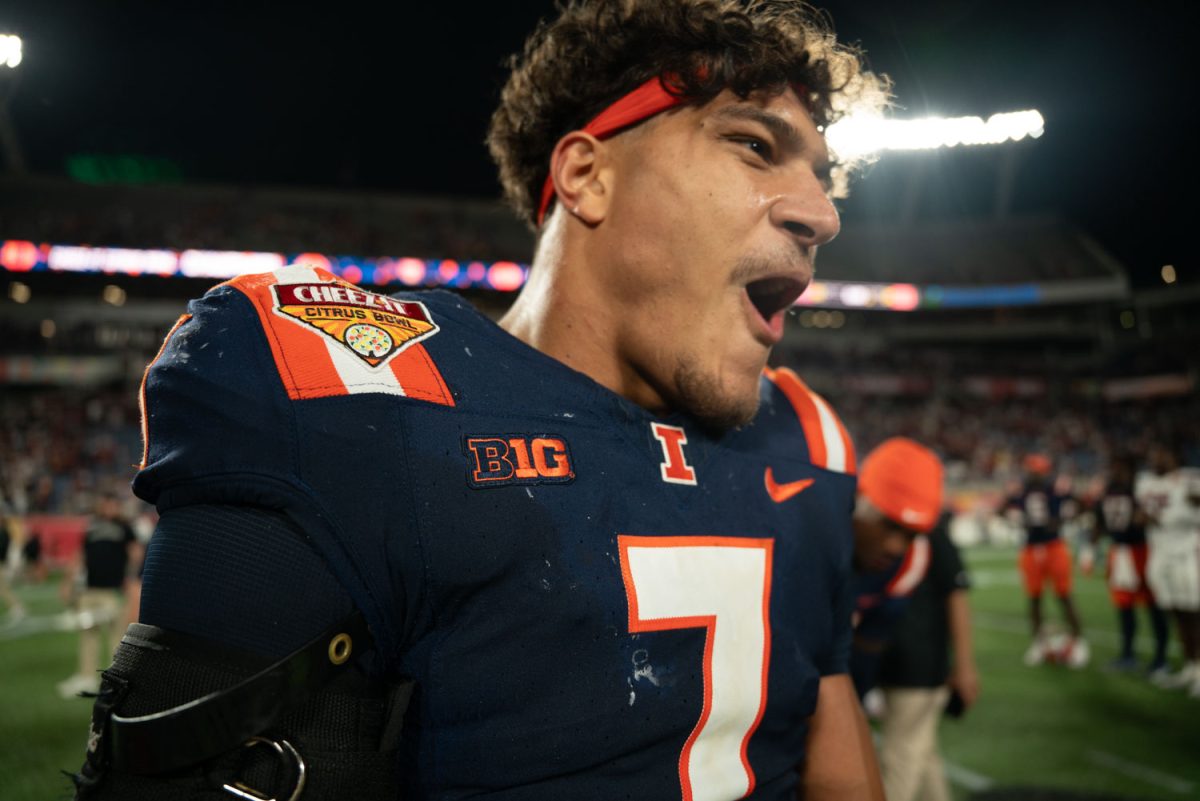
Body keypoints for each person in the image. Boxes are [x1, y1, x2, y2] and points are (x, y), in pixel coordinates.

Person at [71, 2, 891, 799]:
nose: (821, 214)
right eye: (753, 143)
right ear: (586, 174)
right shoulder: (361, 400)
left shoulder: (808, 441)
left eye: (825, 179)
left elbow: (831, 740)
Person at [875, 514, 979, 801]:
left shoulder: (930, 532)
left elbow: (956, 596)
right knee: (922, 754)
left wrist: (964, 665)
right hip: (900, 659)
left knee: (900, 760)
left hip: (917, 665)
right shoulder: (894, 523)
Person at [848, 437, 943, 700]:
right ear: (857, 502)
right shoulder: (819, 540)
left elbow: (868, 645)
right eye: (889, 525)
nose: (896, 548)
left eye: (911, 535)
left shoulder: (911, 563)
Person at [1087, 452, 1169, 674]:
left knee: (1154, 605)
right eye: (1113, 466)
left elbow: (1159, 517)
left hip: (1143, 550)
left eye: (1119, 466)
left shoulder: (1144, 488)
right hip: (1119, 552)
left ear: (1131, 468)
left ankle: (1161, 658)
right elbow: (1098, 521)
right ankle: (1127, 655)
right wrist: (1089, 551)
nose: (1115, 471)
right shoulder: (1108, 489)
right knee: (1124, 605)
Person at [1005, 453, 1088, 667]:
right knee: (1034, 599)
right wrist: (1013, 518)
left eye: (1038, 470)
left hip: (1054, 546)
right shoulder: (1020, 491)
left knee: (1064, 596)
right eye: (1032, 470)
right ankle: (1039, 644)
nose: (1034, 474)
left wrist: (1061, 520)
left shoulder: (1056, 489)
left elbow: (1079, 506)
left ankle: (1079, 643)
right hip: (1031, 548)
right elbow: (1004, 509)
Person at [57, 494, 143, 698]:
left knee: (117, 637)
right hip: (90, 589)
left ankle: (117, 679)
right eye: (106, 504)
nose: (109, 508)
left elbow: (136, 553)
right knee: (88, 634)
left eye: (113, 504)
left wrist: (131, 579)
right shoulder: (91, 527)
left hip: (113, 591)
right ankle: (87, 677)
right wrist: (68, 581)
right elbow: (80, 555)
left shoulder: (125, 528)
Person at [1135, 443, 1200, 695]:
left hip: (1186, 552)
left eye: (1160, 453)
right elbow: (1145, 511)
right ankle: (1190, 666)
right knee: (1175, 612)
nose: (1155, 459)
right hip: (1159, 553)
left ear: (1173, 456)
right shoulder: (1147, 482)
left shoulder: (1190, 479)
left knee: (1193, 613)